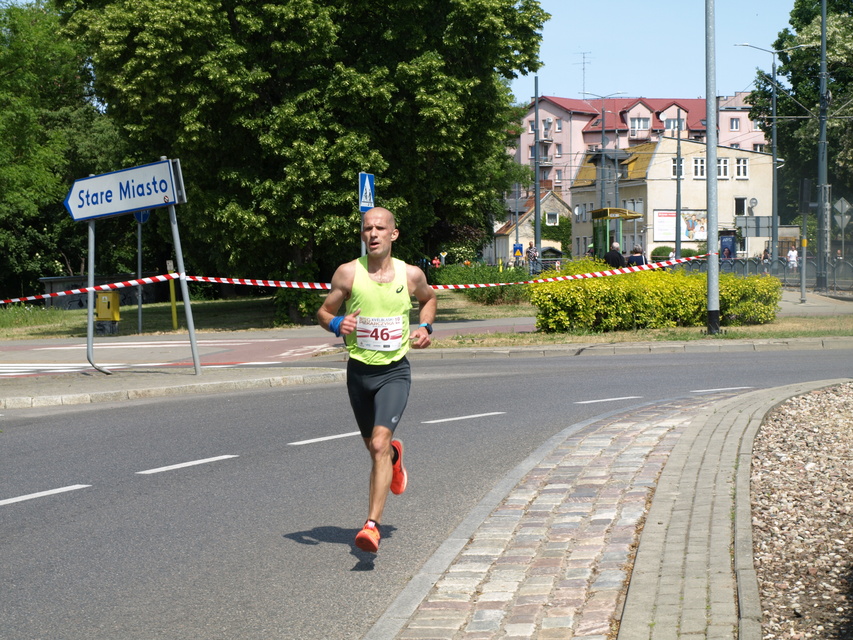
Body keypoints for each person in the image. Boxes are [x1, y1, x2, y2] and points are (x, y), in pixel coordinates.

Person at [317, 207, 437, 554]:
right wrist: (338, 324)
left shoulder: (410, 274)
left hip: (394, 371)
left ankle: (371, 526)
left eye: (380, 228)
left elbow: (429, 299)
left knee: (379, 445)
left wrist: (426, 326)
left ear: (393, 235)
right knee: (375, 448)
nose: (372, 234)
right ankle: (396, 462)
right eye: (367, 228)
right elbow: (324, 312)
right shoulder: (348, 274)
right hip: (359, 373)